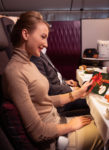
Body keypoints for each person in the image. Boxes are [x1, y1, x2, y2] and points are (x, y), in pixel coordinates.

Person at [2, 11, 103, 150]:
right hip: (55, 140)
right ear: (25, 34)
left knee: (103, 121)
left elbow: (43, 100)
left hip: (58, 122)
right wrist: (70, 126)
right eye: (43, 37)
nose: (46, 44)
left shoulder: (28, 64)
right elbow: (38, 132)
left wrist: (78, 94)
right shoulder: (14, 73)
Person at [31, 48, 89, 114]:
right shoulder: (35, 57)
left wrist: (65, 82)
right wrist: (71, 89)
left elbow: (54, 77)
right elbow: (48, 88)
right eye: (43, 37)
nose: (46, 44)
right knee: (91, 102)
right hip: (59, 101)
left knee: (90, 93)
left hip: (62, 88)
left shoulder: (42, 53)